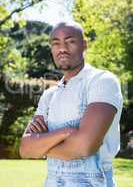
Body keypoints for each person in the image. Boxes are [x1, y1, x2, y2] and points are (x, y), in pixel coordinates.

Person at [19, 21, 123, 187]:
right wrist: (66, 133)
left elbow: (84, 146)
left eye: (70, 41)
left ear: (84, 45)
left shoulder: (102, 81)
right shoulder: (49, 95)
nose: (62, 49)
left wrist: (42, 145)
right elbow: (25, 149)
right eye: (56, 43)